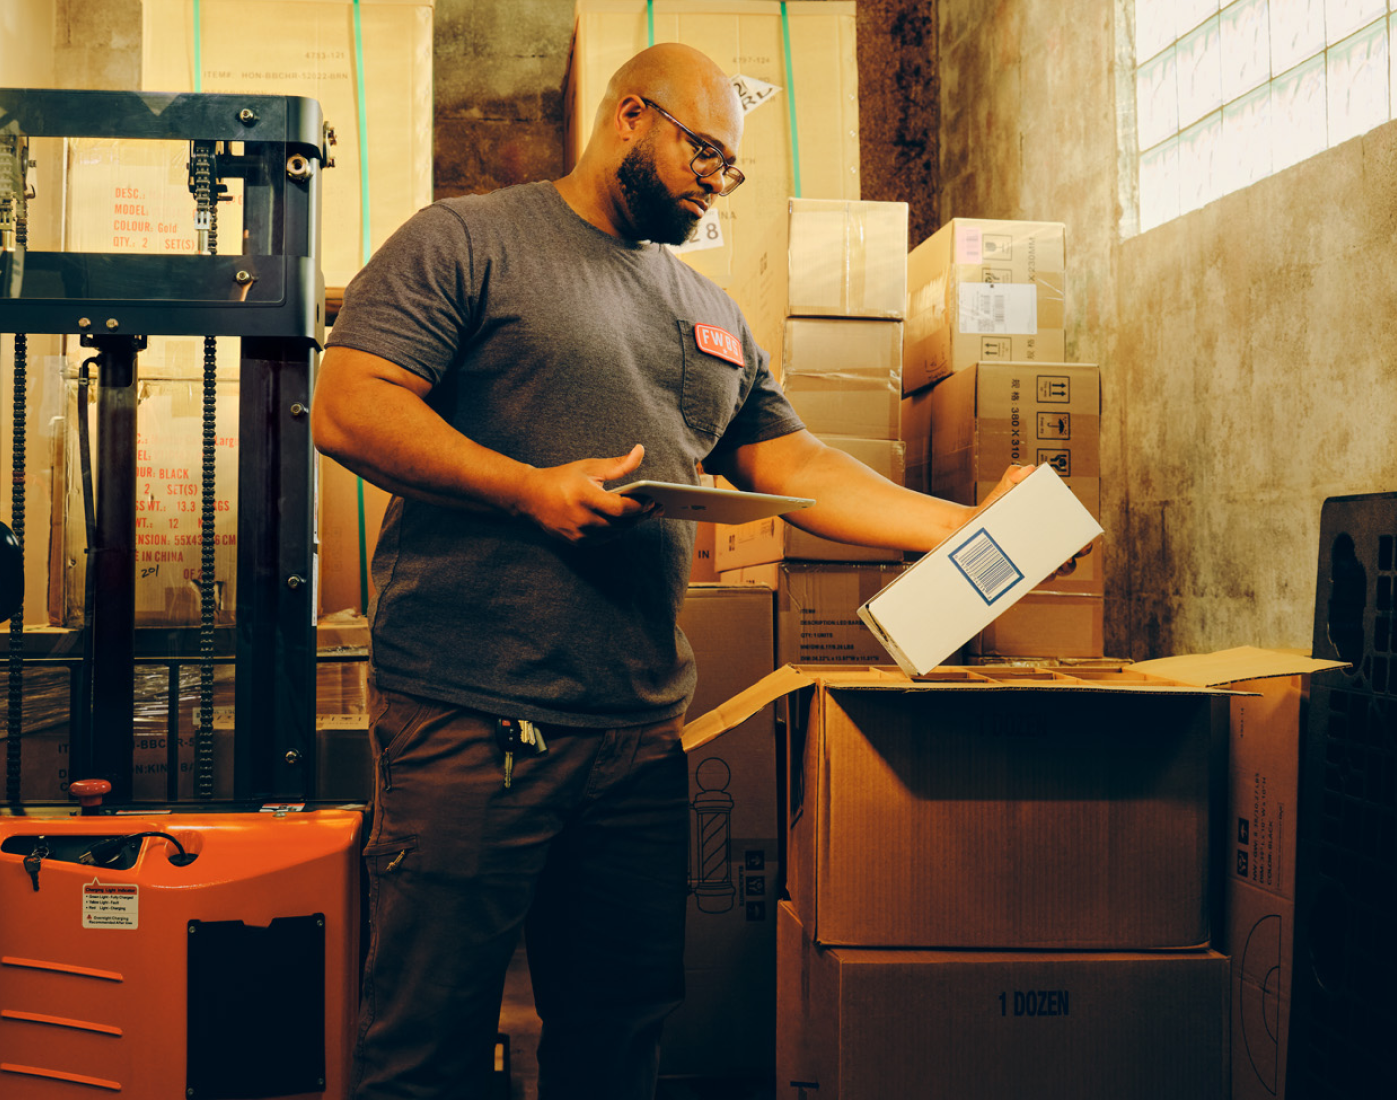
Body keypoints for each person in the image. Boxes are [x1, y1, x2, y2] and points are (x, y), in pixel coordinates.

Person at [313, 42, 1035, 1100]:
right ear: (628, 116)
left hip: (637, 733)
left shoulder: (709, 310)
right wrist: (526, 487)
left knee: (620, 1027)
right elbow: (352, 401)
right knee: (428, 1033)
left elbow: (791, 463)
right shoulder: (468, 240)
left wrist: (966, 527)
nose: (714, 177)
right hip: (472, 720)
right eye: (703, 150)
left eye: (729, 166)